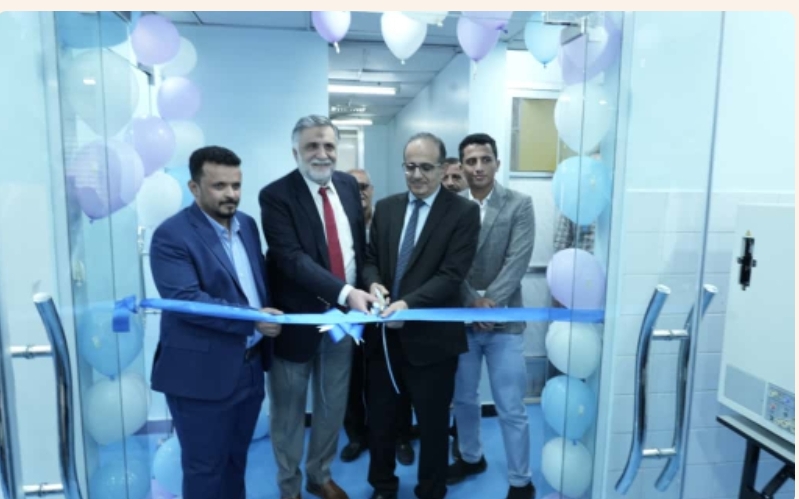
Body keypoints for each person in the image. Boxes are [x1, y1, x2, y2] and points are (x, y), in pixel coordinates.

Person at [149, 146, 282, 499]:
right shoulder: (171, 235)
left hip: (250, 369)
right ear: (194, 188)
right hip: (200, 376)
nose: (231, 194)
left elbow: (255, 284)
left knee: (236, 463)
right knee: (205, 471)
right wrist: (254, 321)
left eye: (236, 185)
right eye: (219, 186)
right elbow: (187, 302)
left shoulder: (247, 225)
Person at [259, 115, 375, 499]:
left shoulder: (347, 185)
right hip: (296, 326)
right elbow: (292, 259)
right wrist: (346, 292)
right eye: (312, 146)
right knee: (288, 414)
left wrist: (367, 285)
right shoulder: (275, 196)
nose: (321, 153)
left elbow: (358, 248)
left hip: (344, 324)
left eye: (328, 145)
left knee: (332, 406)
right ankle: (289, 487)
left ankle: (319, 474)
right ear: (296, 152)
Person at [363, 132, 480, 499]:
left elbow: (451, 275)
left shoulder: (463, 213)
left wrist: (408, 305)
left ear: (443, 168)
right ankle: (383, 486)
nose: (417, 175)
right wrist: (374, 283)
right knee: (381, 420)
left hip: (432, 342)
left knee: (432, 425)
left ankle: (431, 489)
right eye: (410, 166)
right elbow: (370, 259)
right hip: (384, 339)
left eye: (426, 167)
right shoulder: (386, 208)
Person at [447, 133, 536, 499]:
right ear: (462, 166)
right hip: (462, 319)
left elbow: (518, 260)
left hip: (505, 323)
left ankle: (521, 480)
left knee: (511, 406)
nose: (479, 167)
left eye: (485, 159)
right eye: (471, 161)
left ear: (497, 163)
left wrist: (490, 302)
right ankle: (471, 458)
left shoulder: (519, 204)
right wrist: (472, 301)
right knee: (464, 400)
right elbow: (449, 265)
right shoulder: (450, 207)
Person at [341, 168, 417, 466]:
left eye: (363, 186)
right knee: (351, 379)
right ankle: (356, 436)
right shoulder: (339, 224)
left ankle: (401, 436)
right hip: (348, 316)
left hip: (387, 313)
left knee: (396, 378)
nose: (359, 192)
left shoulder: (389, 218)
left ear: (372, 190)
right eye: (352, 187)